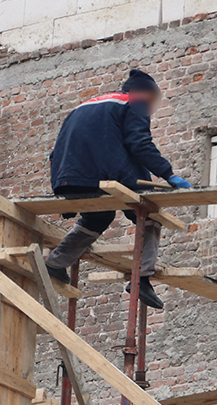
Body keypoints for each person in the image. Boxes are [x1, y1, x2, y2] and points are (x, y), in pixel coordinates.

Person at [43, 68, 192, 309]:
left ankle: (57, 263)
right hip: (106, 176)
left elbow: (56, 152)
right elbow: (140, 144)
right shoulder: (135, 101)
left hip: (69, 178)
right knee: (149, 214)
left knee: (99, 217)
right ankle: (141, 278)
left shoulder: (84, 106)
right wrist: (169, 174)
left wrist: (63, 187)